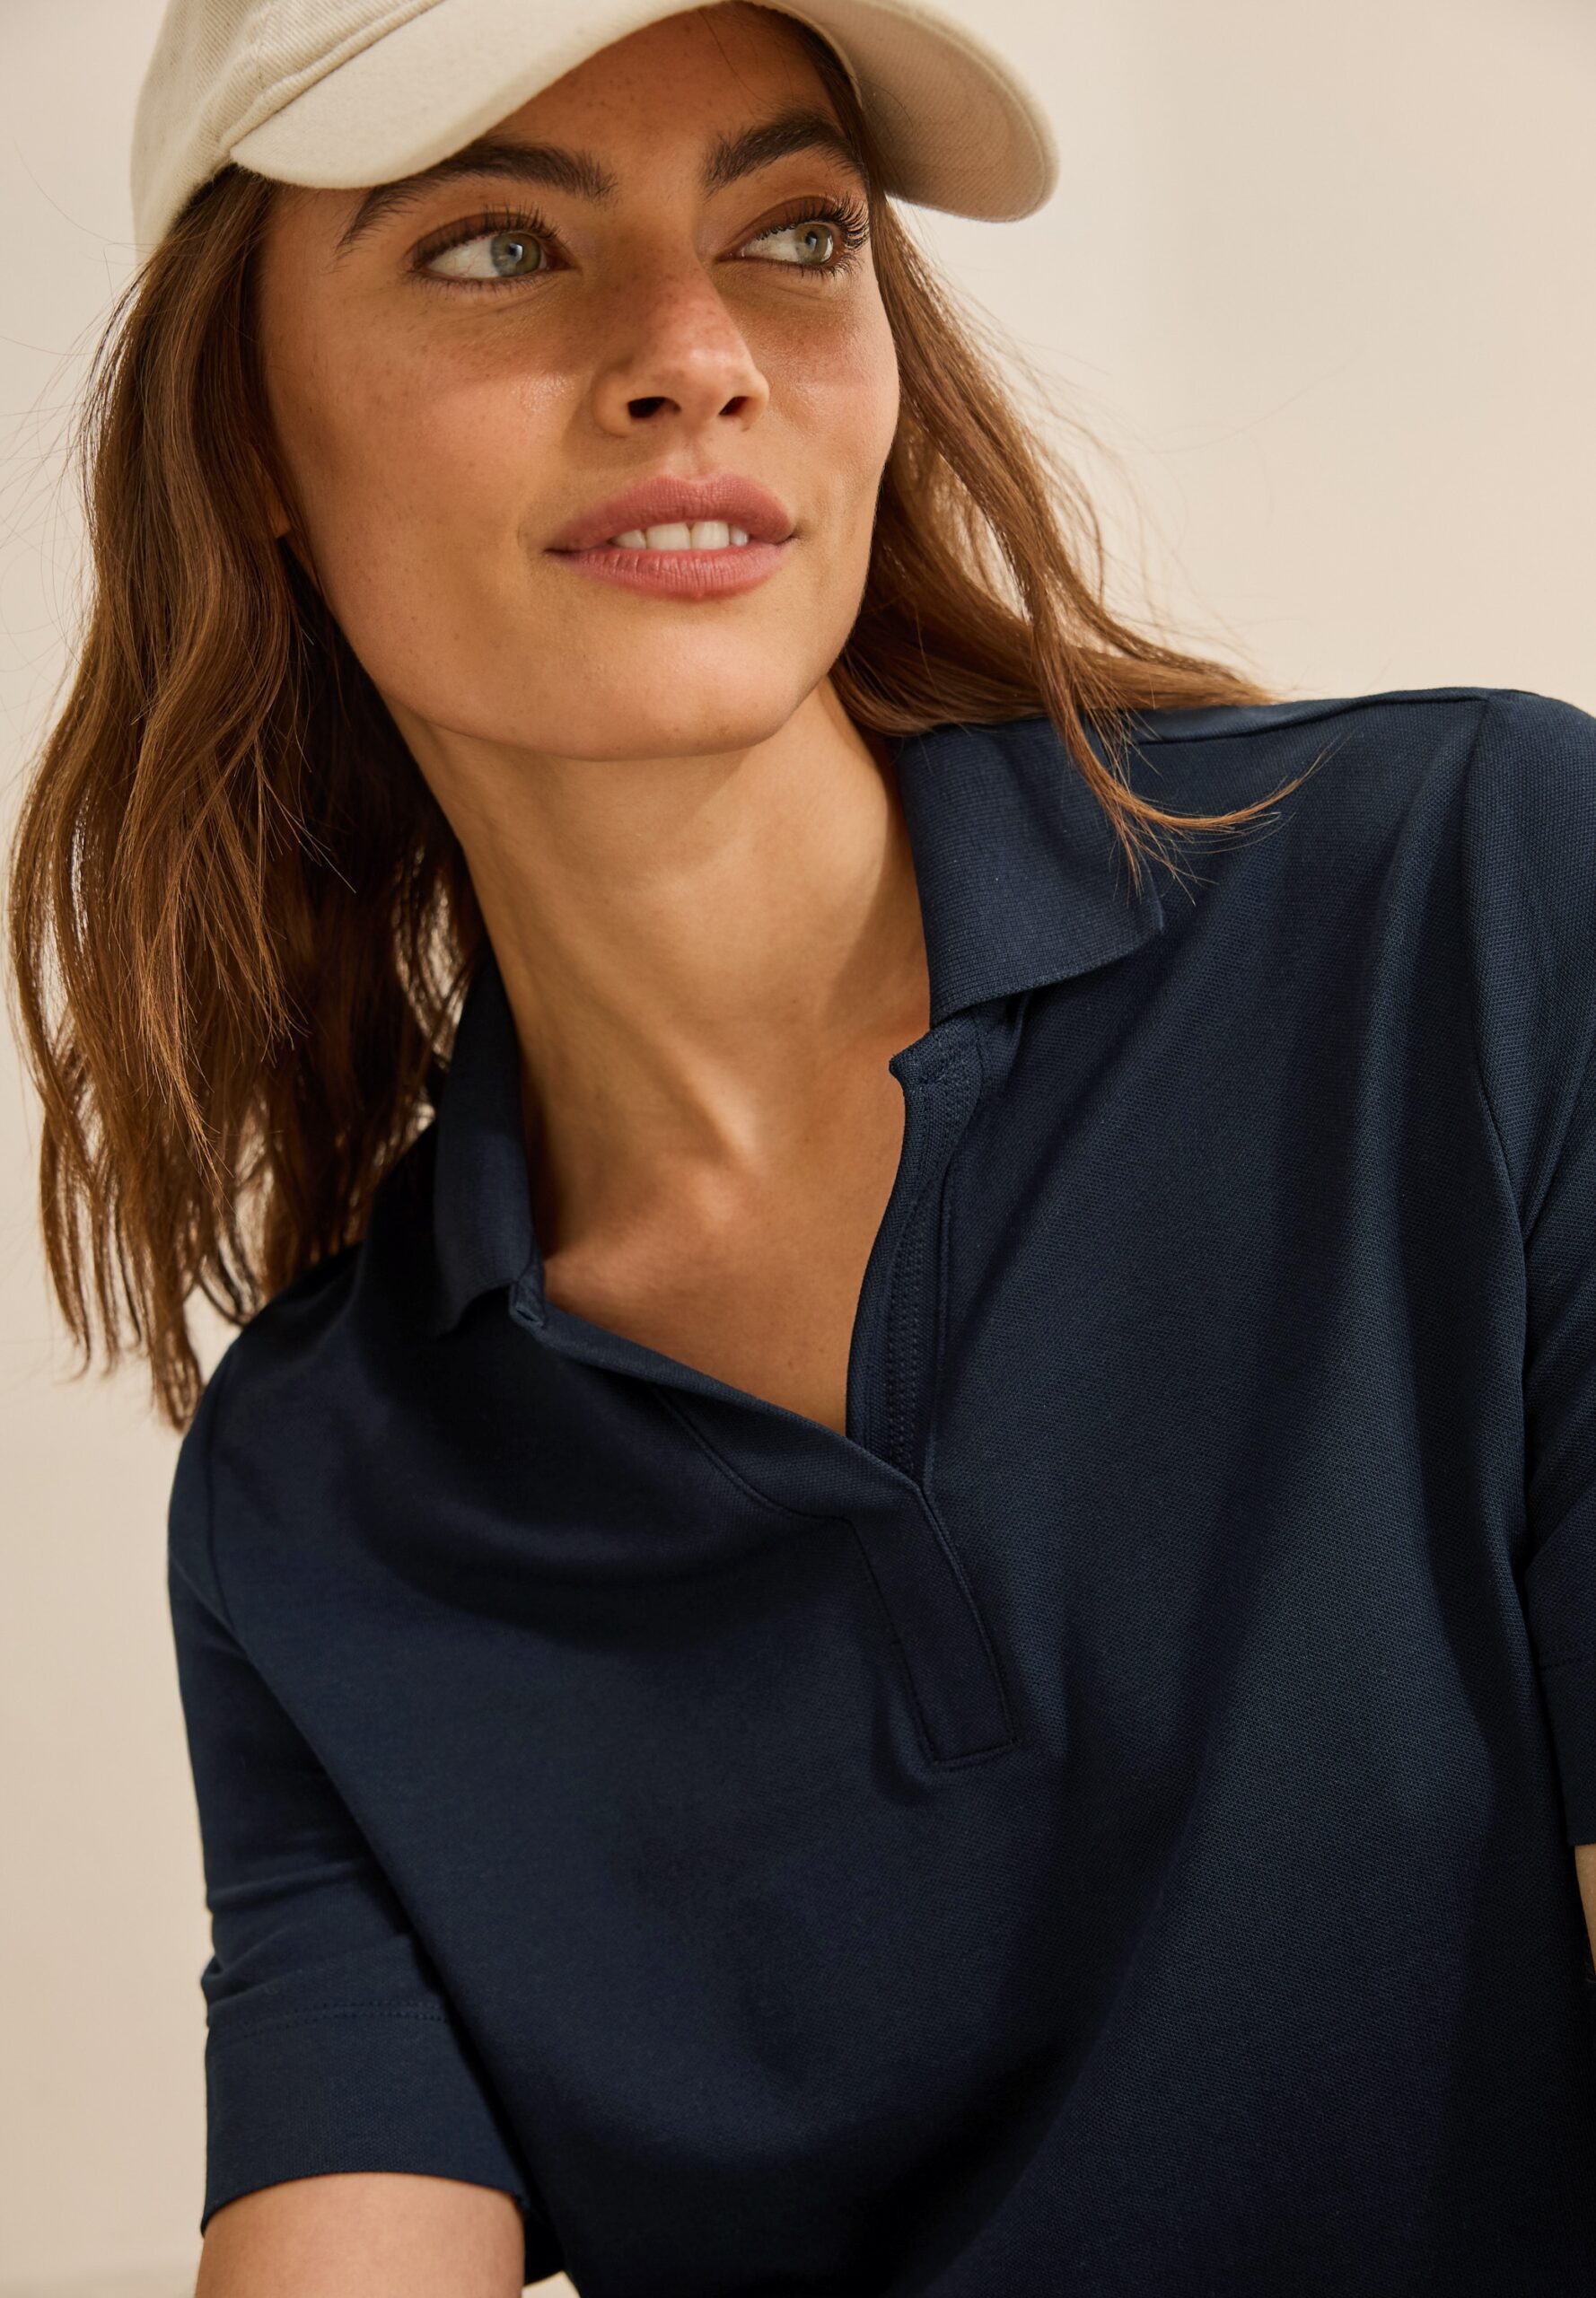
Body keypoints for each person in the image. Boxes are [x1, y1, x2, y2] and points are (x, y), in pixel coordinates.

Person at [7, 0, 1596, 2291]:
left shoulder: (1478, 905)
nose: (694, 357)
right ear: (241, 425)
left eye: (793, 233)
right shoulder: (322, 1485)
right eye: (492, 246)